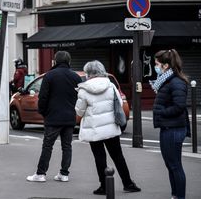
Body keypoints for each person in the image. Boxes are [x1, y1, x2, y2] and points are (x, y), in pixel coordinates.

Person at [75, 60, 141, 195]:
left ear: (88, 73)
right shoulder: (110, 86)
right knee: (118, 156)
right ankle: (128, 183)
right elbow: (119, 104)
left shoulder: (84, 89)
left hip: (94, 129)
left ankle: (104, 186)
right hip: (110, 127)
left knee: (100, 157)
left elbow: (79, 111)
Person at [27, 51, 82, 182]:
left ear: (55, 61)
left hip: (53, 117)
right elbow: (79, 97)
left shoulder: (49, 76)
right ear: (69, 62)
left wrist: (43, 112)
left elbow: (43, 97)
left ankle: (41, 173)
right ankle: (64, 173)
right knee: (67, 146)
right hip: (69, 116)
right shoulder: (76, 77)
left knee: (47, 146)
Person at [150, 49, 189, 199]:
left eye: (157, 64)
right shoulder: (166, 80)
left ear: (165, 66)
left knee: (175, 165)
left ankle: (179, 196)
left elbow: (179, 106)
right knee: (171, 165)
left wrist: (161, 112)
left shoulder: (175, 82)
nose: (155, 66)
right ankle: (175, 195)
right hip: (168, 127)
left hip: (173, 128)